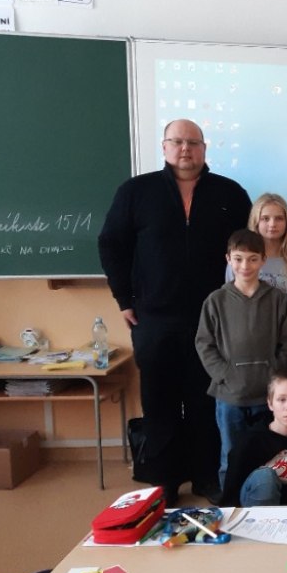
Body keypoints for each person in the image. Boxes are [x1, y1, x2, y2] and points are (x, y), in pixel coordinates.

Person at [98, 118, 251, 506]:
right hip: (154, 317)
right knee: (159, 398)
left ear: (204, 148)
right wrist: (124, 299)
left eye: (193, 142)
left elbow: (248, 249)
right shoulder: (136, 191)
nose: (186, 149)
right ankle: (164, 478)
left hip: (213, 317)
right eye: (178, 141)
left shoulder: (230, 193)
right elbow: (111, 244)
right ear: (165, 147)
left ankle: (205, 476)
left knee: (205, 399)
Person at [196, 229, 287, 489]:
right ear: (228, 259)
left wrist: (272, 374)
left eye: (252, 259)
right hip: (230, 396)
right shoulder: (215, 301)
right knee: (231, 455)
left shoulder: (277, 299)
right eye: (238, 259)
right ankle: (231, 503)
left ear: (263, 260)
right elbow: (204, 344)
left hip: (267, 396)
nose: (245, 266)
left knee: (268, 457)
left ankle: (265, 503)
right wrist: (225, 374)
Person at [230, 193, 287, 364]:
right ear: (256, 221)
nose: (272, 224)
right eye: (265, 218)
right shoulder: (239, 261)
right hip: (247, 352)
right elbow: (230, 306)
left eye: (279, 218)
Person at [221, 367, 287, 506]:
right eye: (282, 400)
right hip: (254, 509)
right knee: (265, 477)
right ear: (270, 403)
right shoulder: (249, 441)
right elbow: (230, 498)